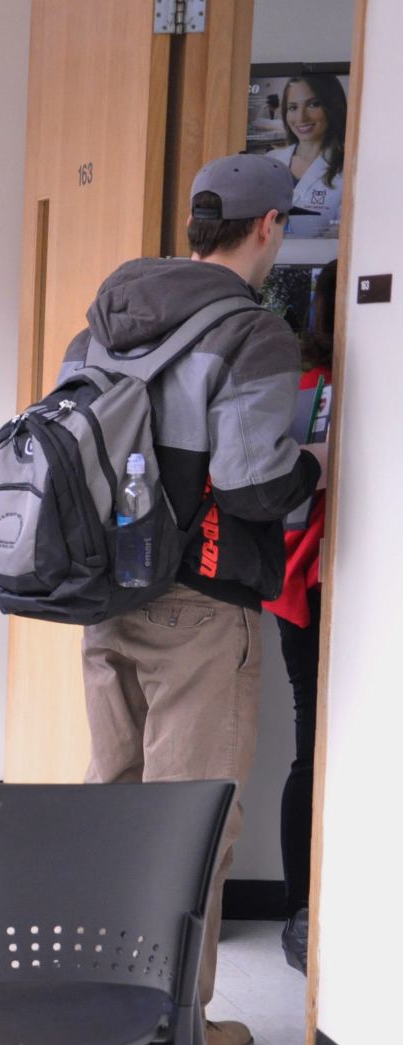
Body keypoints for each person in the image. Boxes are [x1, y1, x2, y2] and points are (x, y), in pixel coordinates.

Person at [61, 155, 322, 1045]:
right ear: (270, 228)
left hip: (105, 596)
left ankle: (107, 998)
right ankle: (172, 1025)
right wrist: (316, 463)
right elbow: (255, 484)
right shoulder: (254, 333)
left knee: (117, 800)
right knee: (193, 817)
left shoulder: (105, 318)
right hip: (204, 607)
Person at [266, 259, 336, 974]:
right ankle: (303, 912)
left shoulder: (306, 383)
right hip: (308, 583)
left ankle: (302, 911)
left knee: (312, 744)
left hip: (299, 585)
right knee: (315, 745)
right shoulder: (308, 389)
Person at [264, 74, 347, 236]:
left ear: (332, 107)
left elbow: (340, 236)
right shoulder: (271, 160)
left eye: (313, 105)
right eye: (293, 108)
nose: (301, 118)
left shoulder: (349, 169)